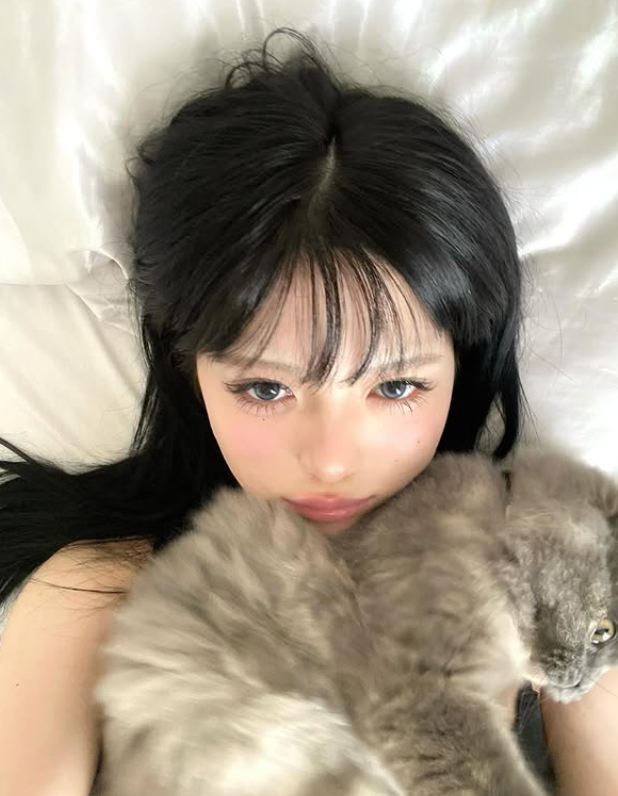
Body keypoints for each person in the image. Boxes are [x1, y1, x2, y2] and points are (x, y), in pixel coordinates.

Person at [0, 27, 615, 796]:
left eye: (395, 387)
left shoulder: (557, 586)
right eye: (266, 389)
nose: (330, 459)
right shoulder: (96, 596)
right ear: (190, 369)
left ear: (464, 364)